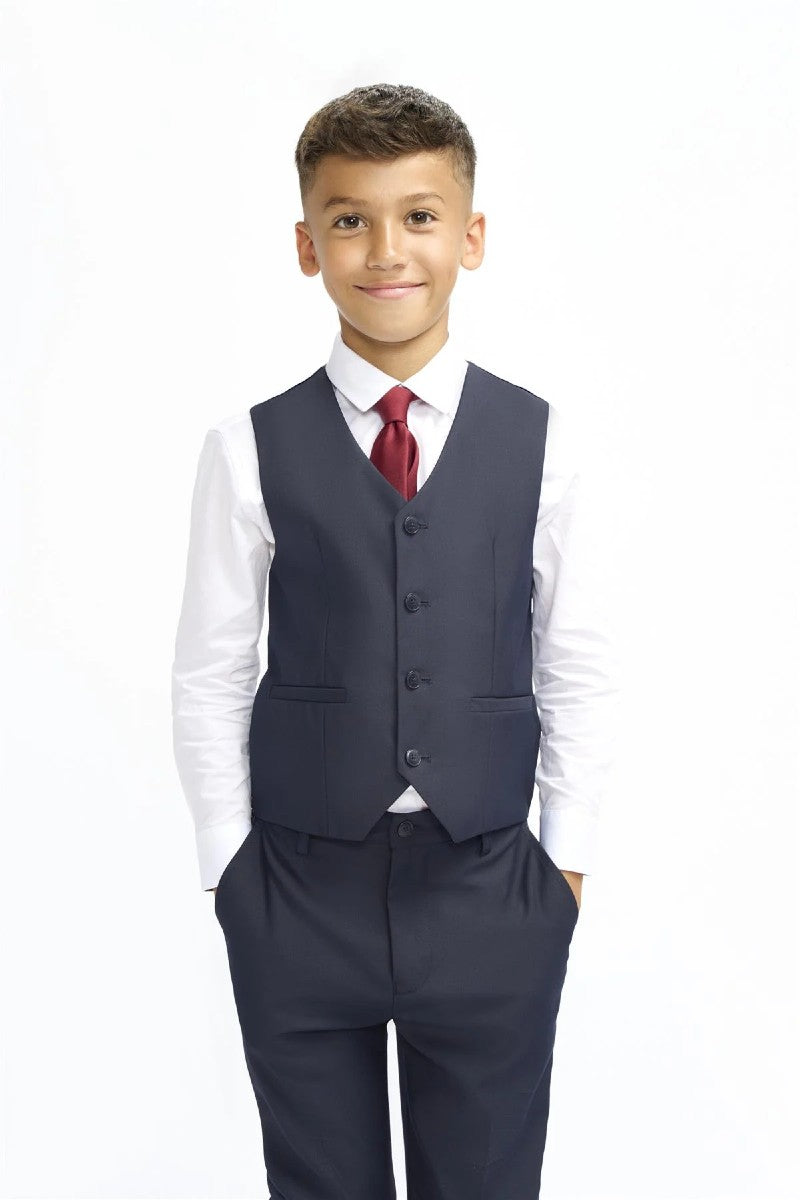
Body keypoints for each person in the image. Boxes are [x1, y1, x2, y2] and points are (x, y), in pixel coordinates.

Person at [172, 81, 618, 1200]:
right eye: (347, 218)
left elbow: (578, 661)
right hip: (295, 885)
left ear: (469, 236)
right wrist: (230, 866)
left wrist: (559, 863)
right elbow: (211, 671)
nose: (384, 249)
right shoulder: (245, 449)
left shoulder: (543, 443)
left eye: (417, 216)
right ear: (304, 243)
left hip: (486, 885)